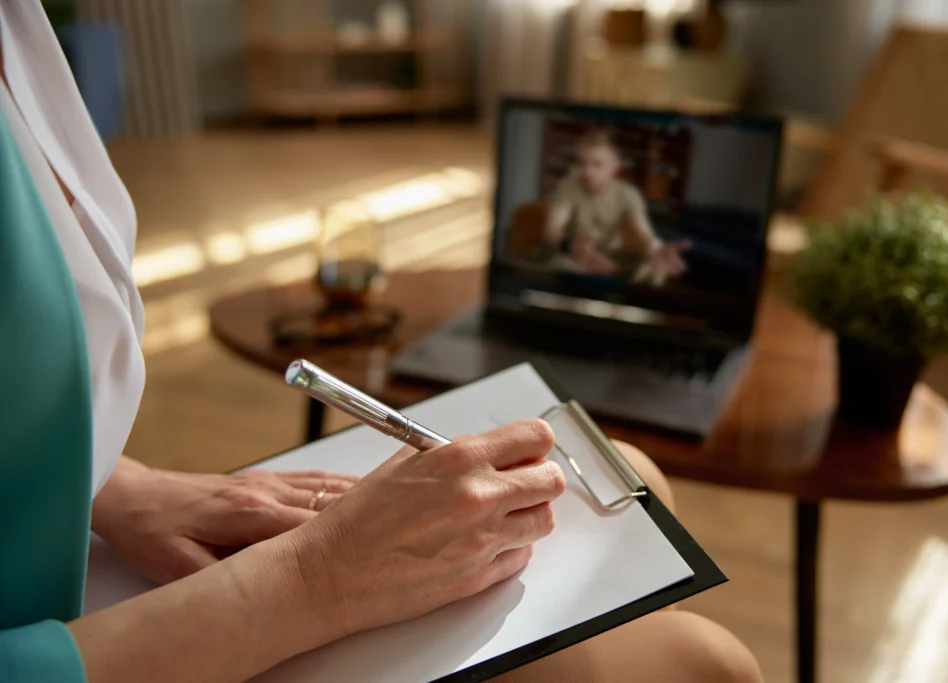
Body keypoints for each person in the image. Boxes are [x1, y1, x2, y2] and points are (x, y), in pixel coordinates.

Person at [0, 4, 762, 682]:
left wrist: (118, 485)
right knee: (708, 662)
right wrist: (314, 578)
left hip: (55, 551)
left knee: (633, 480)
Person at [542, 129, 692, 284]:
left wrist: (657, 249)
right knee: (560, 267)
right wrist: (571, 248)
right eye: (582, 163)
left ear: (615, 166)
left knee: (654, 272)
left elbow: (644, 235)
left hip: (612, 257)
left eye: (597, 164)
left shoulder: (628, 194)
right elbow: (553, 229)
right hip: (574, 256)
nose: (587, 172)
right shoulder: (569, 185)